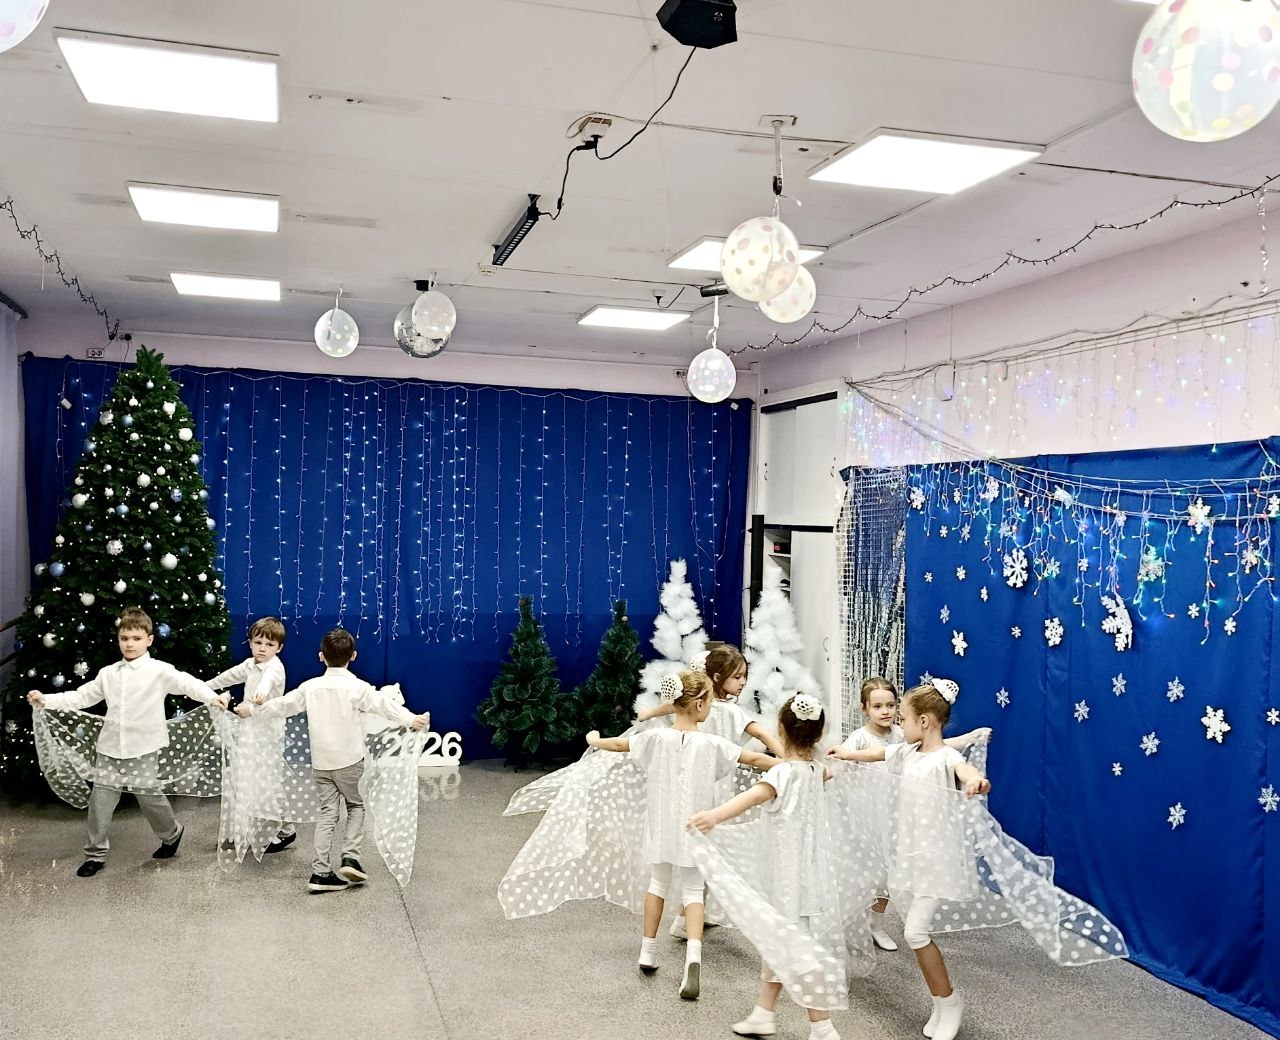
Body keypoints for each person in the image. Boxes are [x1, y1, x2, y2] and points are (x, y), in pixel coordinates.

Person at [586, 670, 775, 1001]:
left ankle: (647, 951)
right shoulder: (712, 743)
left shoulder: (655, 738)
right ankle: (693, 956)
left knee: (657, 884)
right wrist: (790, 764)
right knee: (693, 891)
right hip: (695, 829)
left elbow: (617, 744)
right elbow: (756, 758)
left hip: (661, 827)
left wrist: (593, 740)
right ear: (699, 704)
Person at [827, 682, 991, 1040]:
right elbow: (878, 754)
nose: (898, 723)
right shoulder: (908, 751)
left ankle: (949, 1001)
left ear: (925, 722)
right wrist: (847, 754)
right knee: (914, 933)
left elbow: (965, 770)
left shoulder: (945, 758)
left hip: (936, 860)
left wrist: (977, 781)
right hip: (911, 857)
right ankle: (941, 1002)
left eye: (903, 717)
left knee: (915, 932)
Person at [690, 692, 851, 1040]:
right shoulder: (815, 771)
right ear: (819, 735)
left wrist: (713, 816)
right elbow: (827, 771)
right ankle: (763, 1014)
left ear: (781, 730)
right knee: (779, 943)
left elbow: (752, 797)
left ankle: (823, 1027)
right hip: (809, 877)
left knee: (797, 951)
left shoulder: (783, 774)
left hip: (786, 878)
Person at [26, 606, 228, 877]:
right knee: (100, 802)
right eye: (124, 638)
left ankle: (171, 833)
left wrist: (211, 697)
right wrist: (47, 699)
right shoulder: (108, 673)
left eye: (136, 638)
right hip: (110, 747)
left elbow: (186, 683)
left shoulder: (159, 671)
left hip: (143, 747)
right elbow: (82, 696)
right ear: (118, 640)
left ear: (149, 640)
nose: (130, 644)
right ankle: (95, 854)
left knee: (149, 797)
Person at [236, 628, 428, 893]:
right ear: (353, 656)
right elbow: (383, 705)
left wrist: (253, 710)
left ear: (321, 656)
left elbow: (282, 706)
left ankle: (320, 872)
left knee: (327, 813)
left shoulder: (310, 687)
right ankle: (350, 856)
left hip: (321, 764)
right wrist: (411, 719)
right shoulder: (357, 687)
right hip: (350, 761)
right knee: (356, 806)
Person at [639, 646, 786, 940]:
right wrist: (787, 762)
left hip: (689, 789)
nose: (743, 682)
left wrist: (649, 713)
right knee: (703, 857)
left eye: (744, 676)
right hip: (711, 792)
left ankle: (690, 914)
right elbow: (762, 734)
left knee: (695, 855)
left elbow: (672, 707)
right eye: (737, 677)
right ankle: (685, 917)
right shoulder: (729, 711)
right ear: (718, 677)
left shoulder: (698, 704)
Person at [841, 677, 990, 953]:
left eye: (891, 706)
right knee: (869, 873)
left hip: (900, 816)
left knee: (888, 876)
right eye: (878, 706)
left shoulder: (904, 736)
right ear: (865, 709)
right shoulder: (865, 738)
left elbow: (942, 752)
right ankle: (854, 921)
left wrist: (971, 764)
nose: (886, 712)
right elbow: (865, 755)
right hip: (871, 813)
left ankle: (876, 923)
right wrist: (842, 758)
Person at [207, 616, 295, 852]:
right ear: (251, 643)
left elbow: (267, 683)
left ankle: (286, 829)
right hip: (249, 730)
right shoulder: (249, 664)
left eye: (269, 644)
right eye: (258, 643)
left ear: (279, 648)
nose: (262, 648)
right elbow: (228, 676)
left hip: (268, 734)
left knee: (267, 780)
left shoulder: (275, 668)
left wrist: (259, 697)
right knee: (244, 777)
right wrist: (205, 687)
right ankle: (243, 830)